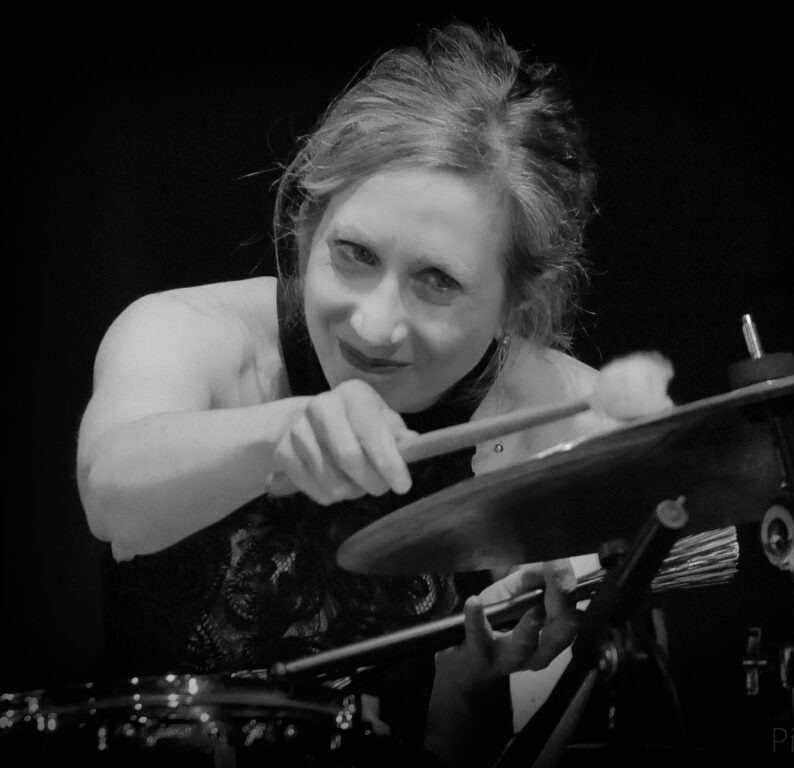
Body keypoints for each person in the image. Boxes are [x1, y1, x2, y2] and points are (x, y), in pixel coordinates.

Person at [76, 23, 610, 767]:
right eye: (354, 254)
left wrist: (467, 698)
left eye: (438, 281)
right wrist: (287, 435)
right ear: (307, 225)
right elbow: (111, 493)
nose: (375, 324)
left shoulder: (567, 422)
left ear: (518, 307)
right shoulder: (186, 332)